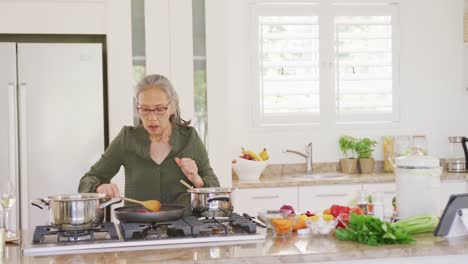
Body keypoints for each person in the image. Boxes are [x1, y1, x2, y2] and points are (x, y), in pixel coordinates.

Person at [78, 74, 220, 213]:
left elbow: (215, 189)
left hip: (184, 230)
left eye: (159, 109)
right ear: (137, 107)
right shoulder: (127, 139)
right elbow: (88, 180)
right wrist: (99, 188)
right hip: (137, 231)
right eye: (145, 109)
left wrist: (198, 181)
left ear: (172, 106)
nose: (152, 118)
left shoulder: (190, 138)